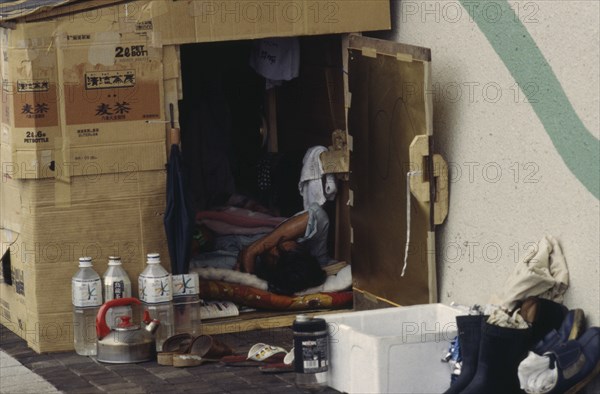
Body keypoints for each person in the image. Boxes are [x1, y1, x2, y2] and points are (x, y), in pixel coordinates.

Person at [234, 203, 330, 295]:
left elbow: (247, 252)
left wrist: (248, 279)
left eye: (273, 257)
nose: (272, 248)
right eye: (282, 246)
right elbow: (319, 214)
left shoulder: (264, 270)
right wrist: (256, 249)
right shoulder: (315, 259)